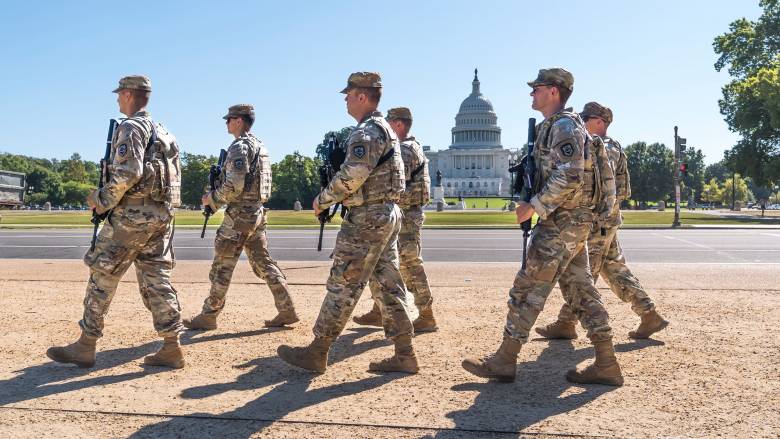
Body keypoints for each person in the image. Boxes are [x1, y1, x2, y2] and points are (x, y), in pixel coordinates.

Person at [461, 68, 624, 386]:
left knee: (527, 287)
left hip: (562, 221)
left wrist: (533, 205)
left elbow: (570, 174)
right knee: (581, 291)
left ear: (553, 91)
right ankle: (606, 363)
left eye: (537, 88)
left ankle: (505, 359)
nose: (532, 93)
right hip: (571, 222)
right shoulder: (557, 126)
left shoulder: (564, 126)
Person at [277, 72, 419, 374]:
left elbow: (354, 174)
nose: (345, 100)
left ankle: (318, 350)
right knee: (388, 285)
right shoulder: (385, 129)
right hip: (387, 212)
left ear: (362, 97)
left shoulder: (367, 131)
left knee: (344, 282)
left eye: (349, 94)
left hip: (368, 217)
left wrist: (323, 199)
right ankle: (405, 353)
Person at [47, 75, 185, 369]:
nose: (117, 99)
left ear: (127, 94)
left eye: (119, 94)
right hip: (161, 216)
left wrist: (101, 199)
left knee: (102, 274)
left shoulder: (131, 127)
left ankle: (86, 345)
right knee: (157, 279)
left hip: (132, 217)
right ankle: (172, 346)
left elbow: (128, 173)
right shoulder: (164, 132)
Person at [536, 102, 668, 340]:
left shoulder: (602, 147)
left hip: (598, 221)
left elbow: (596, 186)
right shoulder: (609, 146)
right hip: (606, 220)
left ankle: (567, 322)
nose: (580, 123)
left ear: (599, 122)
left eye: (585, 119)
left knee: (583, 272)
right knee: (614, 268)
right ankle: (649, 314)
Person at [183, 104, 298, 330]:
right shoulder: (260, 146)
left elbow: (234, 185)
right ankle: (287, 309)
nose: (226, 123)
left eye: (229, 119)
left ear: (239, 121)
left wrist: (211, 199)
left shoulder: (240, 147)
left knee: (222, 265)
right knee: (264, 263)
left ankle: (209, 315)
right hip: (256, 213)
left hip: (240, 215)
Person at [353, 107, 437, 332]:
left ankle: (426, 314)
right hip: (405, 214)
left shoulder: (406, 150)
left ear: (398, 124)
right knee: (382, 262)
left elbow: (396, 186)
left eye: (389, 123)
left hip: (407, 215)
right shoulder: (411, 146)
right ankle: (379, 310)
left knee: (410, 266)